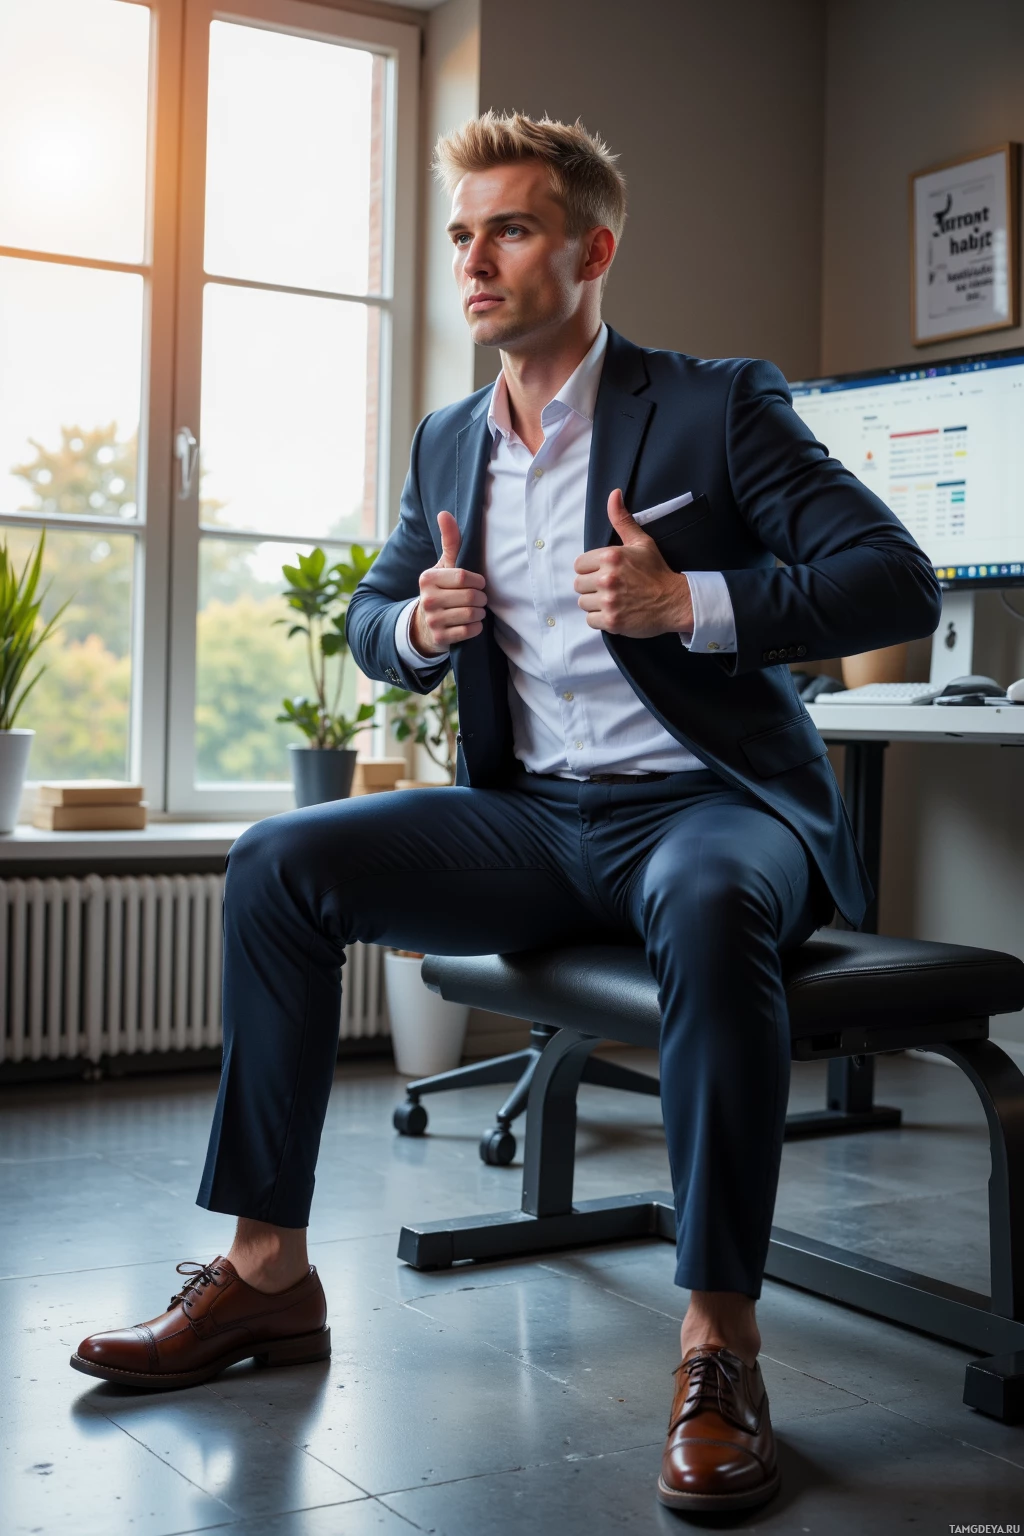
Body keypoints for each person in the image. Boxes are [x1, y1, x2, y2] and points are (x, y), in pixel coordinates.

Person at [72, 113, 941, 1513]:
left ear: (592, 251)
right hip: (534, 822)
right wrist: (415, 624)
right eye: (462, 234)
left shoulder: (714, 407)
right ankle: (265, 1277)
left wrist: (694, 603)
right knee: (277, 863)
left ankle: (719, 1344)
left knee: (714, 906)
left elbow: (895, 580)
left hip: (707, 810)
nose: (475, 260)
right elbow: (367, 617)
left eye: (512, 230)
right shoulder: (446, 440)